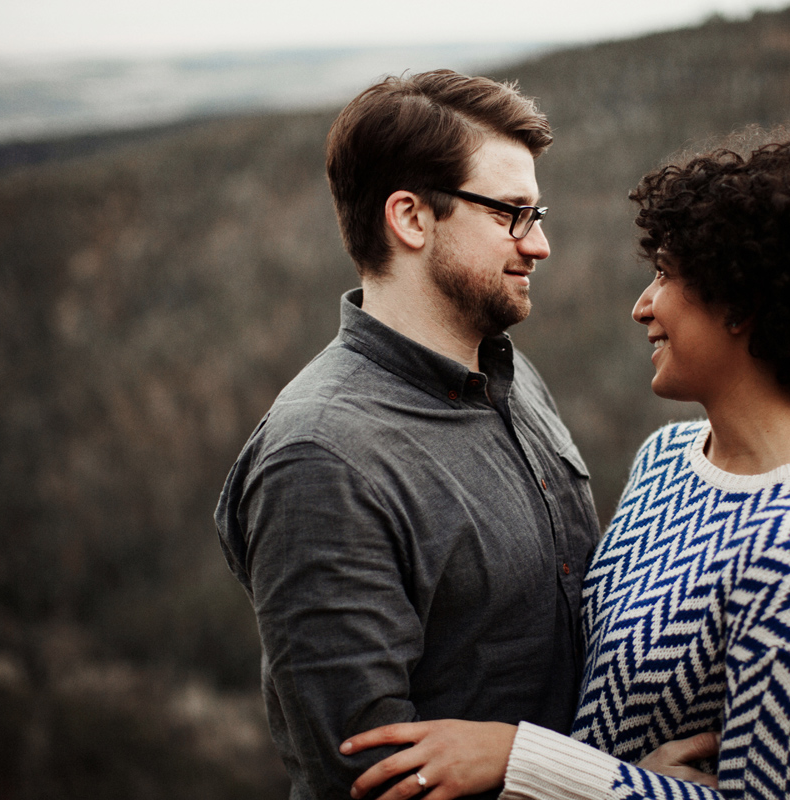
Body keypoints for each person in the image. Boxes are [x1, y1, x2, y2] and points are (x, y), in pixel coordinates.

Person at [341, 123, 790, 800]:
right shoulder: (668, 460)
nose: (642, 306)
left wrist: (518, 758)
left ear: (740, 303)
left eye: (664, 275)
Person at [214, 70, 604, 799]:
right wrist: (619, 789)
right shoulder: (322, 459)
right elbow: (368, 781)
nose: (541, 243)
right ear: (412, 219)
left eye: (537, 212)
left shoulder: (515, 379)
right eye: (513, 214)